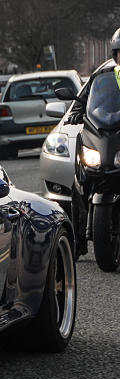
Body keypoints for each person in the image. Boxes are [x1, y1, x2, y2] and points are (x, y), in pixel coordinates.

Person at [66, 27, 120, 258]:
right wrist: (76, 113)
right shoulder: (103, 76)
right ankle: (78, 240)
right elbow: (84, 99)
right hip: (106, 132)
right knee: (80, 182)